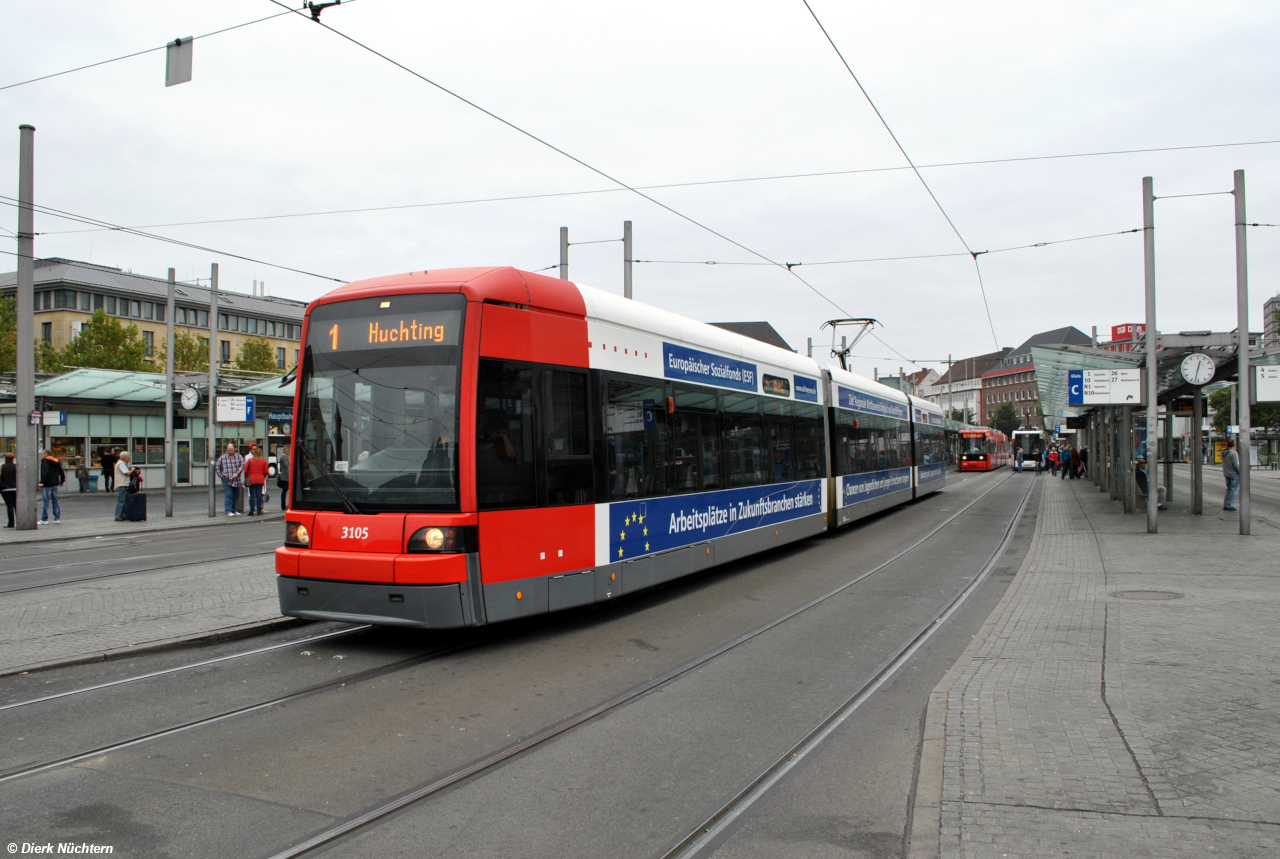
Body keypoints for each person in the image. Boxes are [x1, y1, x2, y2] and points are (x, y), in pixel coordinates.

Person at [216, 443, 245, 517]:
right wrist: (221, 476)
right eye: (229, 450)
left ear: (234, 449)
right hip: (226, 479)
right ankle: (228, 511)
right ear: (227, 450)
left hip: (236, 479)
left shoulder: (239, 456)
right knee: (229, 495)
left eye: (231, 450)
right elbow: (217, 466)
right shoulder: (223, 457)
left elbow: (242, 465)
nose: (230, 451)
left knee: (236, 495)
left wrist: (237, 473)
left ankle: (234, 510)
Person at [37, 449, 65, 525]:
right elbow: (61, 472)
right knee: (55, 501)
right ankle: (57, 518)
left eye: (43, 453)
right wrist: (62, 481)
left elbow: (45, 472)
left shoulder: (45, 461)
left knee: (46, 502)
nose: (42, 455)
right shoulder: (56, 461)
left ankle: (44, 519)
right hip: (55, 483)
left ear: (46, 454)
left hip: (47, 484)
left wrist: (42, 482)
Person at [245, 443, 270, 516]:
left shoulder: (250, 461)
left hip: (252, 479)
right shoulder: (263, 461)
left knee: (252, 495)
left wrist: (247, 476)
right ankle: (259, 510)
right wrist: (263, 476)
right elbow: (266, 471)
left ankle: (252, 510)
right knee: (259, 495)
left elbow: (246, 470)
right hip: (260, 479)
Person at [113, 451, 133, 520]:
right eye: (128, 457)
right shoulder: (121, 464)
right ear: (125, 458)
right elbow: (127, 473)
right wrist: (132, 470)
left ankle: (123, 515)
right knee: (121, 501)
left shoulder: (122, 464)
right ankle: (118, 515)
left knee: (123, 501)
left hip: (123, 484)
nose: (129, 458)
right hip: (121, 484)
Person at [1222, 438, 1240, 511]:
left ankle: (1226, 504)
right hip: (1233, 474)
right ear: (1234, 445)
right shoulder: (1233, 453)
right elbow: (1236, 465)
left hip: (1227, 473)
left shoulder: (1224, 453)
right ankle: (1230, 505)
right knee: (1234, 490)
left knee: (1229, 489)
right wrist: (1239, 471)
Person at [1, 452, 16, 528]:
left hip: (5, 489)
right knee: (16, 506)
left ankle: (11, 523)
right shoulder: (16, 467)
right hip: (15, 488)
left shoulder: (2, 467)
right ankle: (20, 521)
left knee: (9, 506)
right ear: (13, 459)